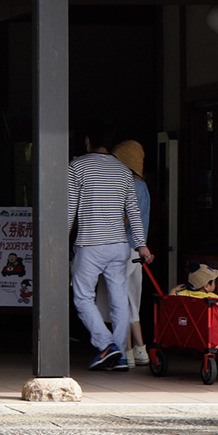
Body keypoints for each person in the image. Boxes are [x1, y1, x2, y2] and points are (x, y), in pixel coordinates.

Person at [68, 133, 149, 372]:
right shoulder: (124, 171)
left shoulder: (77, 166)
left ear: (87, 141)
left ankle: (107, 345)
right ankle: (122, 356)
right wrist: (142, 244)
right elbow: (134, 211)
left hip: (90, 244)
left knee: (82, 296)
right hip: (120, 246)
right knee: (119, 299)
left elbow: (70, 206)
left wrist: (60, 241)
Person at [110, 139, 154, 365]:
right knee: (132, 301)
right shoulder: (143, 186)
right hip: (136, 251)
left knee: (120, 301)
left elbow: (123, 219)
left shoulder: (126, 185)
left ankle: (126, 351)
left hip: (122, 249)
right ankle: (141, 350)